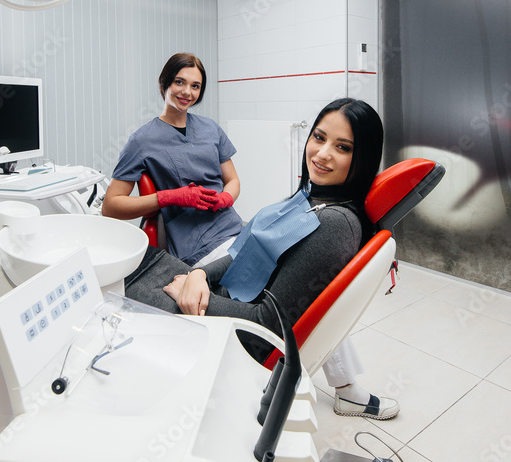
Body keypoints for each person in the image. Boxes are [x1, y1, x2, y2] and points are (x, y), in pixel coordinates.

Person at [124, 97, 400, 420]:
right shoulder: (311, 197)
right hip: (220, 293)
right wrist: (198, 276)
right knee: (135, 258)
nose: (322, 154)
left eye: (343, 148)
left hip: (236, 330)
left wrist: (193, 295)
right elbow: (247, 251)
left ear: (363, 158)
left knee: (115, 283)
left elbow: (267, 325)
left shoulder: (335, 224)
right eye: (319, 138)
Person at [102, 53, 244, 266]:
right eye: (180, 82)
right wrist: (170, 197)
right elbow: (110, 207)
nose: (187, 92)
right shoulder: (142, 140)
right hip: (197, 245)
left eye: (195, 86)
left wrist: (225, 198)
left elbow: (233, 180)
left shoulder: (211, 128)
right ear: (164, 83)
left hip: (233, 228)